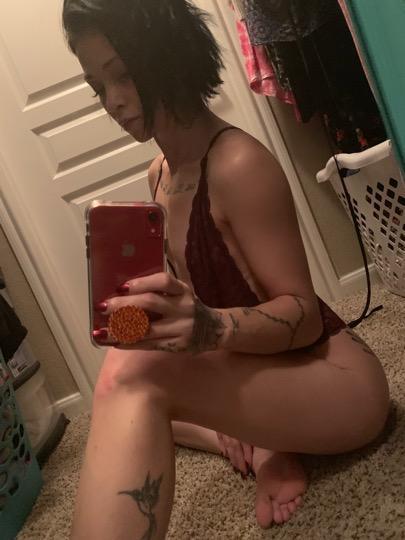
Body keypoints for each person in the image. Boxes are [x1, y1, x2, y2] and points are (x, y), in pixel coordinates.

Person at [62, 1, 390, 538]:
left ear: (165, 55)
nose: (112, 101)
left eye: (122, 75)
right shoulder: (159, 175)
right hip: (260, 369)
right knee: (131, 375)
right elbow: (196, 308)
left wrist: (208, 327)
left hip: (338, 380)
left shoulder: (238, 163)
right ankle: (264, 445)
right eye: (98, 87)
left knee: (132, 378)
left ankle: (264, 442)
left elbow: (304, 316)